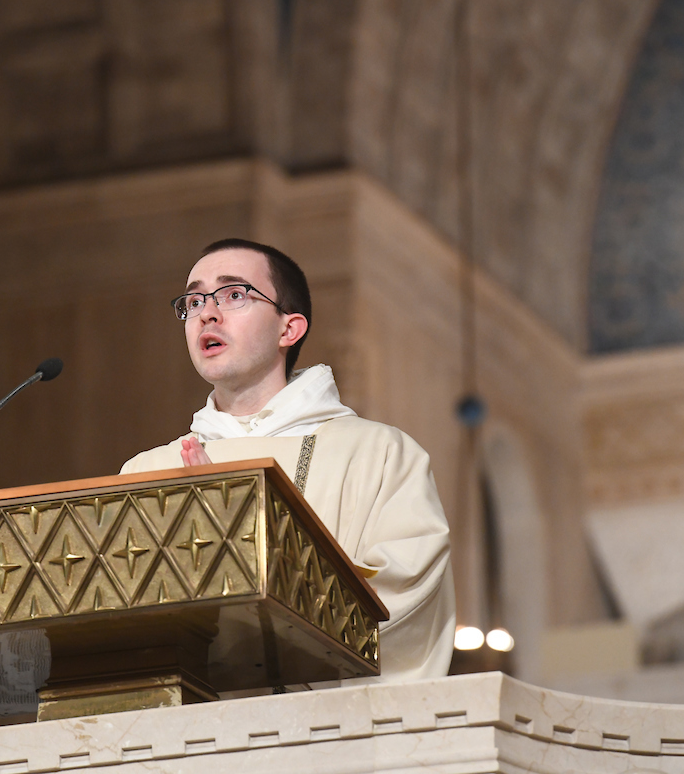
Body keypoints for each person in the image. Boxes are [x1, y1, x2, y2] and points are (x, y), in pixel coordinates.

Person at [121, 238, 455, 683]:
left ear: (289, 329)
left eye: (234, 294)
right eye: (194, 299)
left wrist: (240, 538)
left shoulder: (380, 455)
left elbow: (401, 595)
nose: (207, 313)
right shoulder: (147, 471)